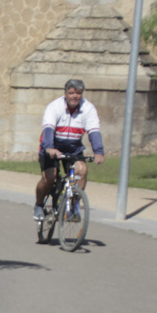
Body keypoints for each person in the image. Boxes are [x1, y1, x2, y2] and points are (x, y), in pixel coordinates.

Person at [33, 79, 105, 220]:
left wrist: (98, 151)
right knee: (50, 176)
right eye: (71, 93)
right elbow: (48, 129)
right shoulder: (54, 107)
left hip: (73, 148)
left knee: (82, 170)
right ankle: (39, 205)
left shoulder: (88, 108)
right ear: (65, 93)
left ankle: (73, 206)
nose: (75, 96)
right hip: (52, 145)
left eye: (78, 93)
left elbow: (94, 131)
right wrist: (49, 148)